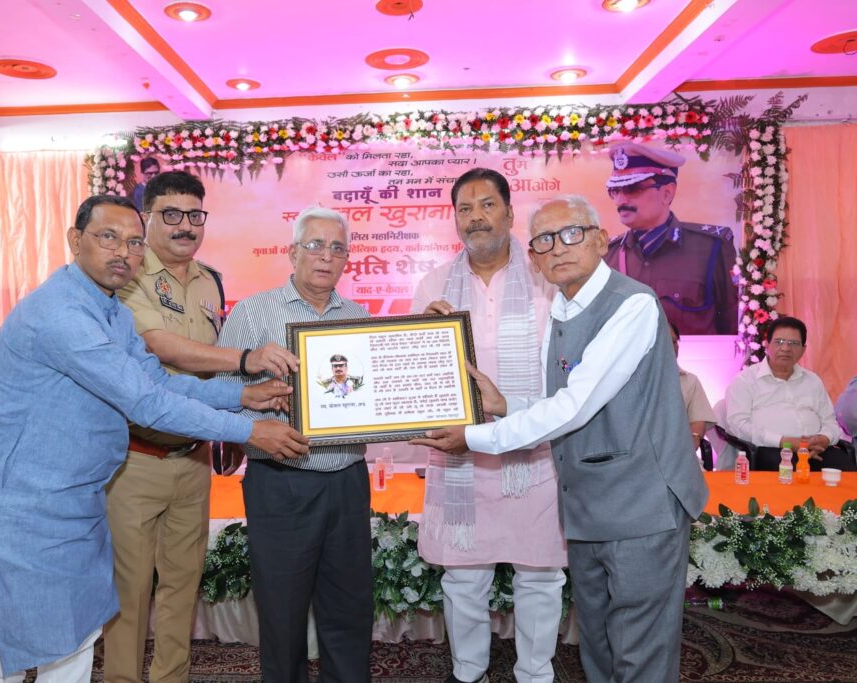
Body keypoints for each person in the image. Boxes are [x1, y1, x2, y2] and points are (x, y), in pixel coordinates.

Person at [0, 195, 308, 683]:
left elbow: (156, 382)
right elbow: (146, 403)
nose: (123, 252)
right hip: (20, 513)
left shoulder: (110, 311)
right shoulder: (62, 314)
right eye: (108, 237)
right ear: (76, 240)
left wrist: (242, 396)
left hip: (74, 506)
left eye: (135, 243)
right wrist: (249, 429)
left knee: (73, 649)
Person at [413, 195, 708, 683]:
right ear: (533, 256)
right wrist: (506, 405)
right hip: (586, 505)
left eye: (571, 234)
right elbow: (559, 401)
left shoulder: (632, 304)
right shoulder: (561, 311)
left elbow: (574, 407)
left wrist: (475, 437)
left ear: (601, 240)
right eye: (545, 241)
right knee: (599, 642)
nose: (558, 248)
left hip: (643, 505)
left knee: (640, 648)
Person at [106, 170, 299, 683]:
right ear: (147, 218)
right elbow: (162, 348)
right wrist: (247, 359)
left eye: (195, 214)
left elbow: (209, 364)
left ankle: (171, 678)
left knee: (182, 584)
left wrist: (227, 426)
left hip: (193, 457)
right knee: (130, 590)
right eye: (171, 214)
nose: (185, 225)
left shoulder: (210, 279)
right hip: (135, 458)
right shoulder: (128, 277)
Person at [410, 168, 567, 683]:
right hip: (463, 455)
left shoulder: (548, 278)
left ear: (509, 212)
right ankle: (468, 671)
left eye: (487, 205)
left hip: (533, 452)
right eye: (465, 208)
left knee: (540, 575)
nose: (475, 216)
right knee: (464, 577)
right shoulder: (433, 285)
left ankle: (536, 673)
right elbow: (415, 372)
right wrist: (422, 336)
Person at [216, 207, 373, 683]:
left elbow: (370, 399)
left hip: (347, 480)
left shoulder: (359, 317)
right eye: (315, 245)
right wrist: (261, 423)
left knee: (349, 609)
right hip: (280, 483)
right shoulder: (252, 313)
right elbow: (221, 395)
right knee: (282, 614)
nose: (326, 256)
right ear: (292, 253)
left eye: (337, 248)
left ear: (347, 259)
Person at [603, 142, 737, 335]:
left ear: (667, 193)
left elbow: (732, 326)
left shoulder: (710, 249)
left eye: (632, 189)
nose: (620, 200)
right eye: (615, 191)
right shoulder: (608, 255)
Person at [724, 316, 851, 471]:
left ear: (803, 349)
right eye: (779, 342)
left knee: (844, 467)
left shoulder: (813, 380)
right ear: (767, 345)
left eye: (794, 343)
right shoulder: (745, 381)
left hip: (816, 450)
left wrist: (824, 439)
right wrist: (784, 441)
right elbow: (738, 425)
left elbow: (830, 422)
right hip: (773, 450)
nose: (786, 348)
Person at [668, 321, 715, 450]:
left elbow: (697, 422)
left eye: (674, 341)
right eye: (665, 342)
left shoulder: (690, 381)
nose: (672, 347)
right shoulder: (633, 380)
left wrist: (693, 440)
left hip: (679, 453)